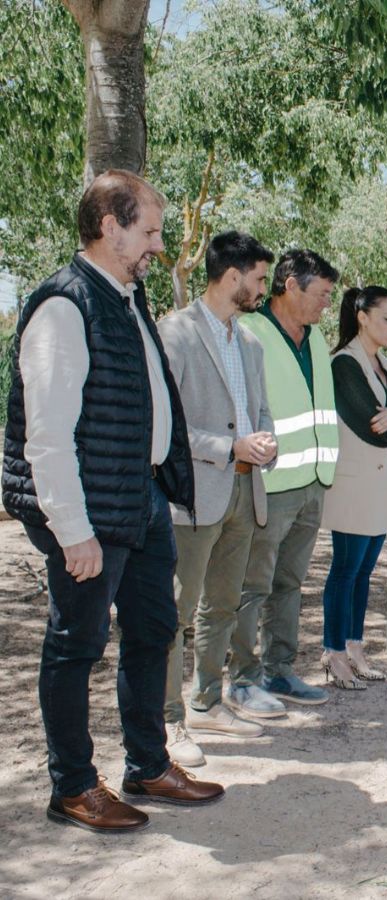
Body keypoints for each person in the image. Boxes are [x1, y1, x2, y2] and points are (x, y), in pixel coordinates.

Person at [2, 170, 224, 833]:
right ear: (109, 226)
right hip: (89, 512)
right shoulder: (65, 306)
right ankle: (71, 787)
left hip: (140, 499)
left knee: (155, 629)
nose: (158, 245)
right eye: (149, 231)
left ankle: (147, 764)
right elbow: (47, 437)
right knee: (77, 645)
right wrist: (73, 532)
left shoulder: (126, 298)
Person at [156, 231, 279, 768]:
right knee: (174, 613)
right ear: (232, 278)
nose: (261, 289)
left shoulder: (249, 342)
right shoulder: (174, 333)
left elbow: (262, 413)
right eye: (258, 279)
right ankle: (166, 721)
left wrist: (266, 444)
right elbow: (165, 429)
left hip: (244, 491)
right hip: (191, 497)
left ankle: (208, 702)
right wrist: (228, 446)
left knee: (223, 605)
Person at [237, 249, 340, 706]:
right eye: (320, 294)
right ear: (290, 286)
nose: (325, 305)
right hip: (268, 486)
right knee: (252, 586)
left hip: (312, 486)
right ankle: (242, 678)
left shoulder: (316, 339)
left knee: (289, 584)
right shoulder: (249, 331)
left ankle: (279, 672)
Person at [321, 286, 387, 688]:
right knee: (344, 571)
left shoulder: (386, 366)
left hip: (384, 485)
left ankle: (355, 648)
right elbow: (371, 428)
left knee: (363, 573)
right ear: (362, 317)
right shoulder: (344, 365)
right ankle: (334, 653)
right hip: (354, 485)